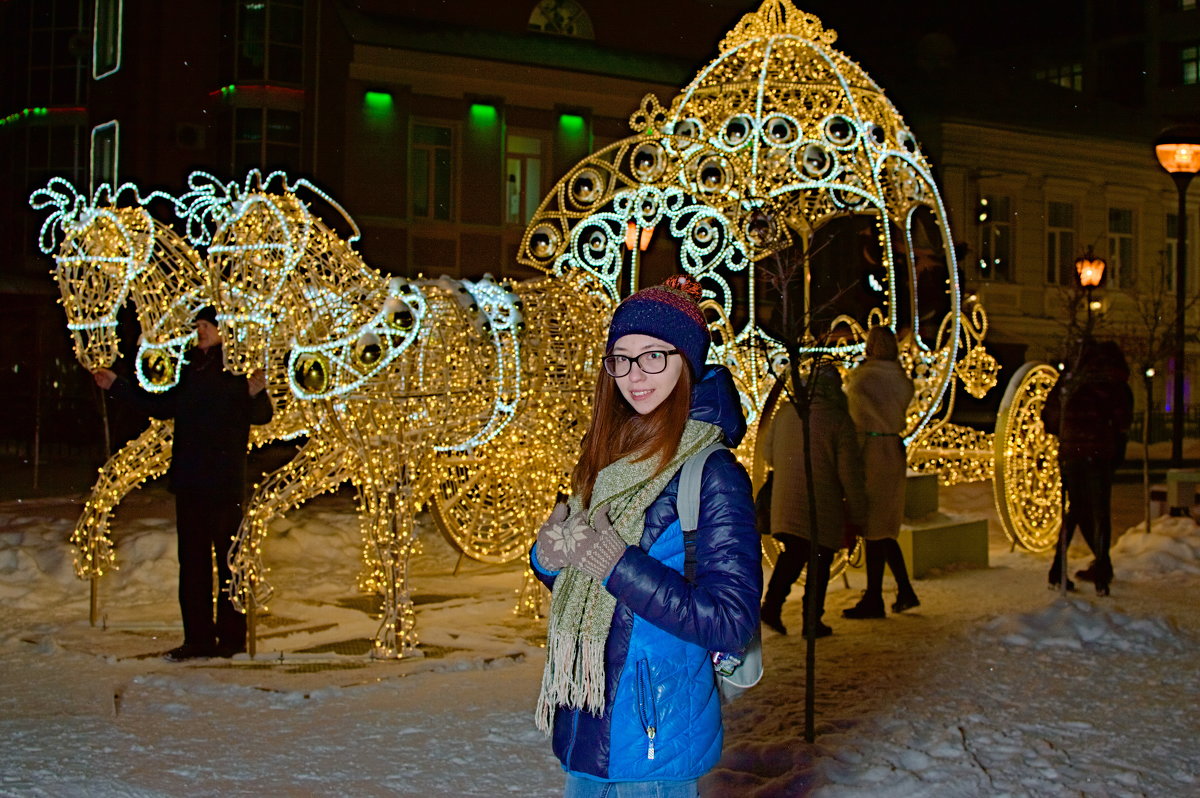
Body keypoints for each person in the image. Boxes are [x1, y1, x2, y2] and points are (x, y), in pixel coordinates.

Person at [530, 275, 760, 797]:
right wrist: (549, 558)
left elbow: (731, 620)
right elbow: (586, 585)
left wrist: (617, 563)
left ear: (687, 363)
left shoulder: (713, 472)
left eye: (654, 357)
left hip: (656, 739)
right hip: (587, 721)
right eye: (622, 358)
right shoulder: (609, 454)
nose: (635, 375)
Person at [93, 305, 273, 660]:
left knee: (230, 562)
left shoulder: (236, 370)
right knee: (191, 563)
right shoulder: (187, 367)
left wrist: (255, 392)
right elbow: (159, 405)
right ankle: (198, 639)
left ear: (222, 331)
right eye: (198, 325)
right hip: (190, 480)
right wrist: (117, 385)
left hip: (224, 482)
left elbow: (262, 417)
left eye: (206, 325)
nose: (200, 330)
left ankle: (232, 638)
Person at [759, 361, 867, 638]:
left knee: (793, 553)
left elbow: (769, 455)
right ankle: (810, 620)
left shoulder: (785, 413)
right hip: (822, 504)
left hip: (786, 499)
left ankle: (772, 606)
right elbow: (850, 473)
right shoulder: (838, 419)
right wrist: (857, 513)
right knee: (818, 561)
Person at [1040, 337, 1132, 596]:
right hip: (1098, 453)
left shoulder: (1069, 380)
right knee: (1100, 513)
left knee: (1076, 510)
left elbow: (1049, 417)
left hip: (1070, 454)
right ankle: (1102, 575)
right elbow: (1122, 418)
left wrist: (1068, 434)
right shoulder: (1109, 381)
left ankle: (1058, 571)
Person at [841, 325, 920, 618]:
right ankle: (903, 590)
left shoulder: (862, 379)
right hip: (894, 452)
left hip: (870, 452)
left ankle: (876, 598)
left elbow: (853, 415)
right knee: (884, 528)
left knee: (875, 528)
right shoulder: (901, 380)